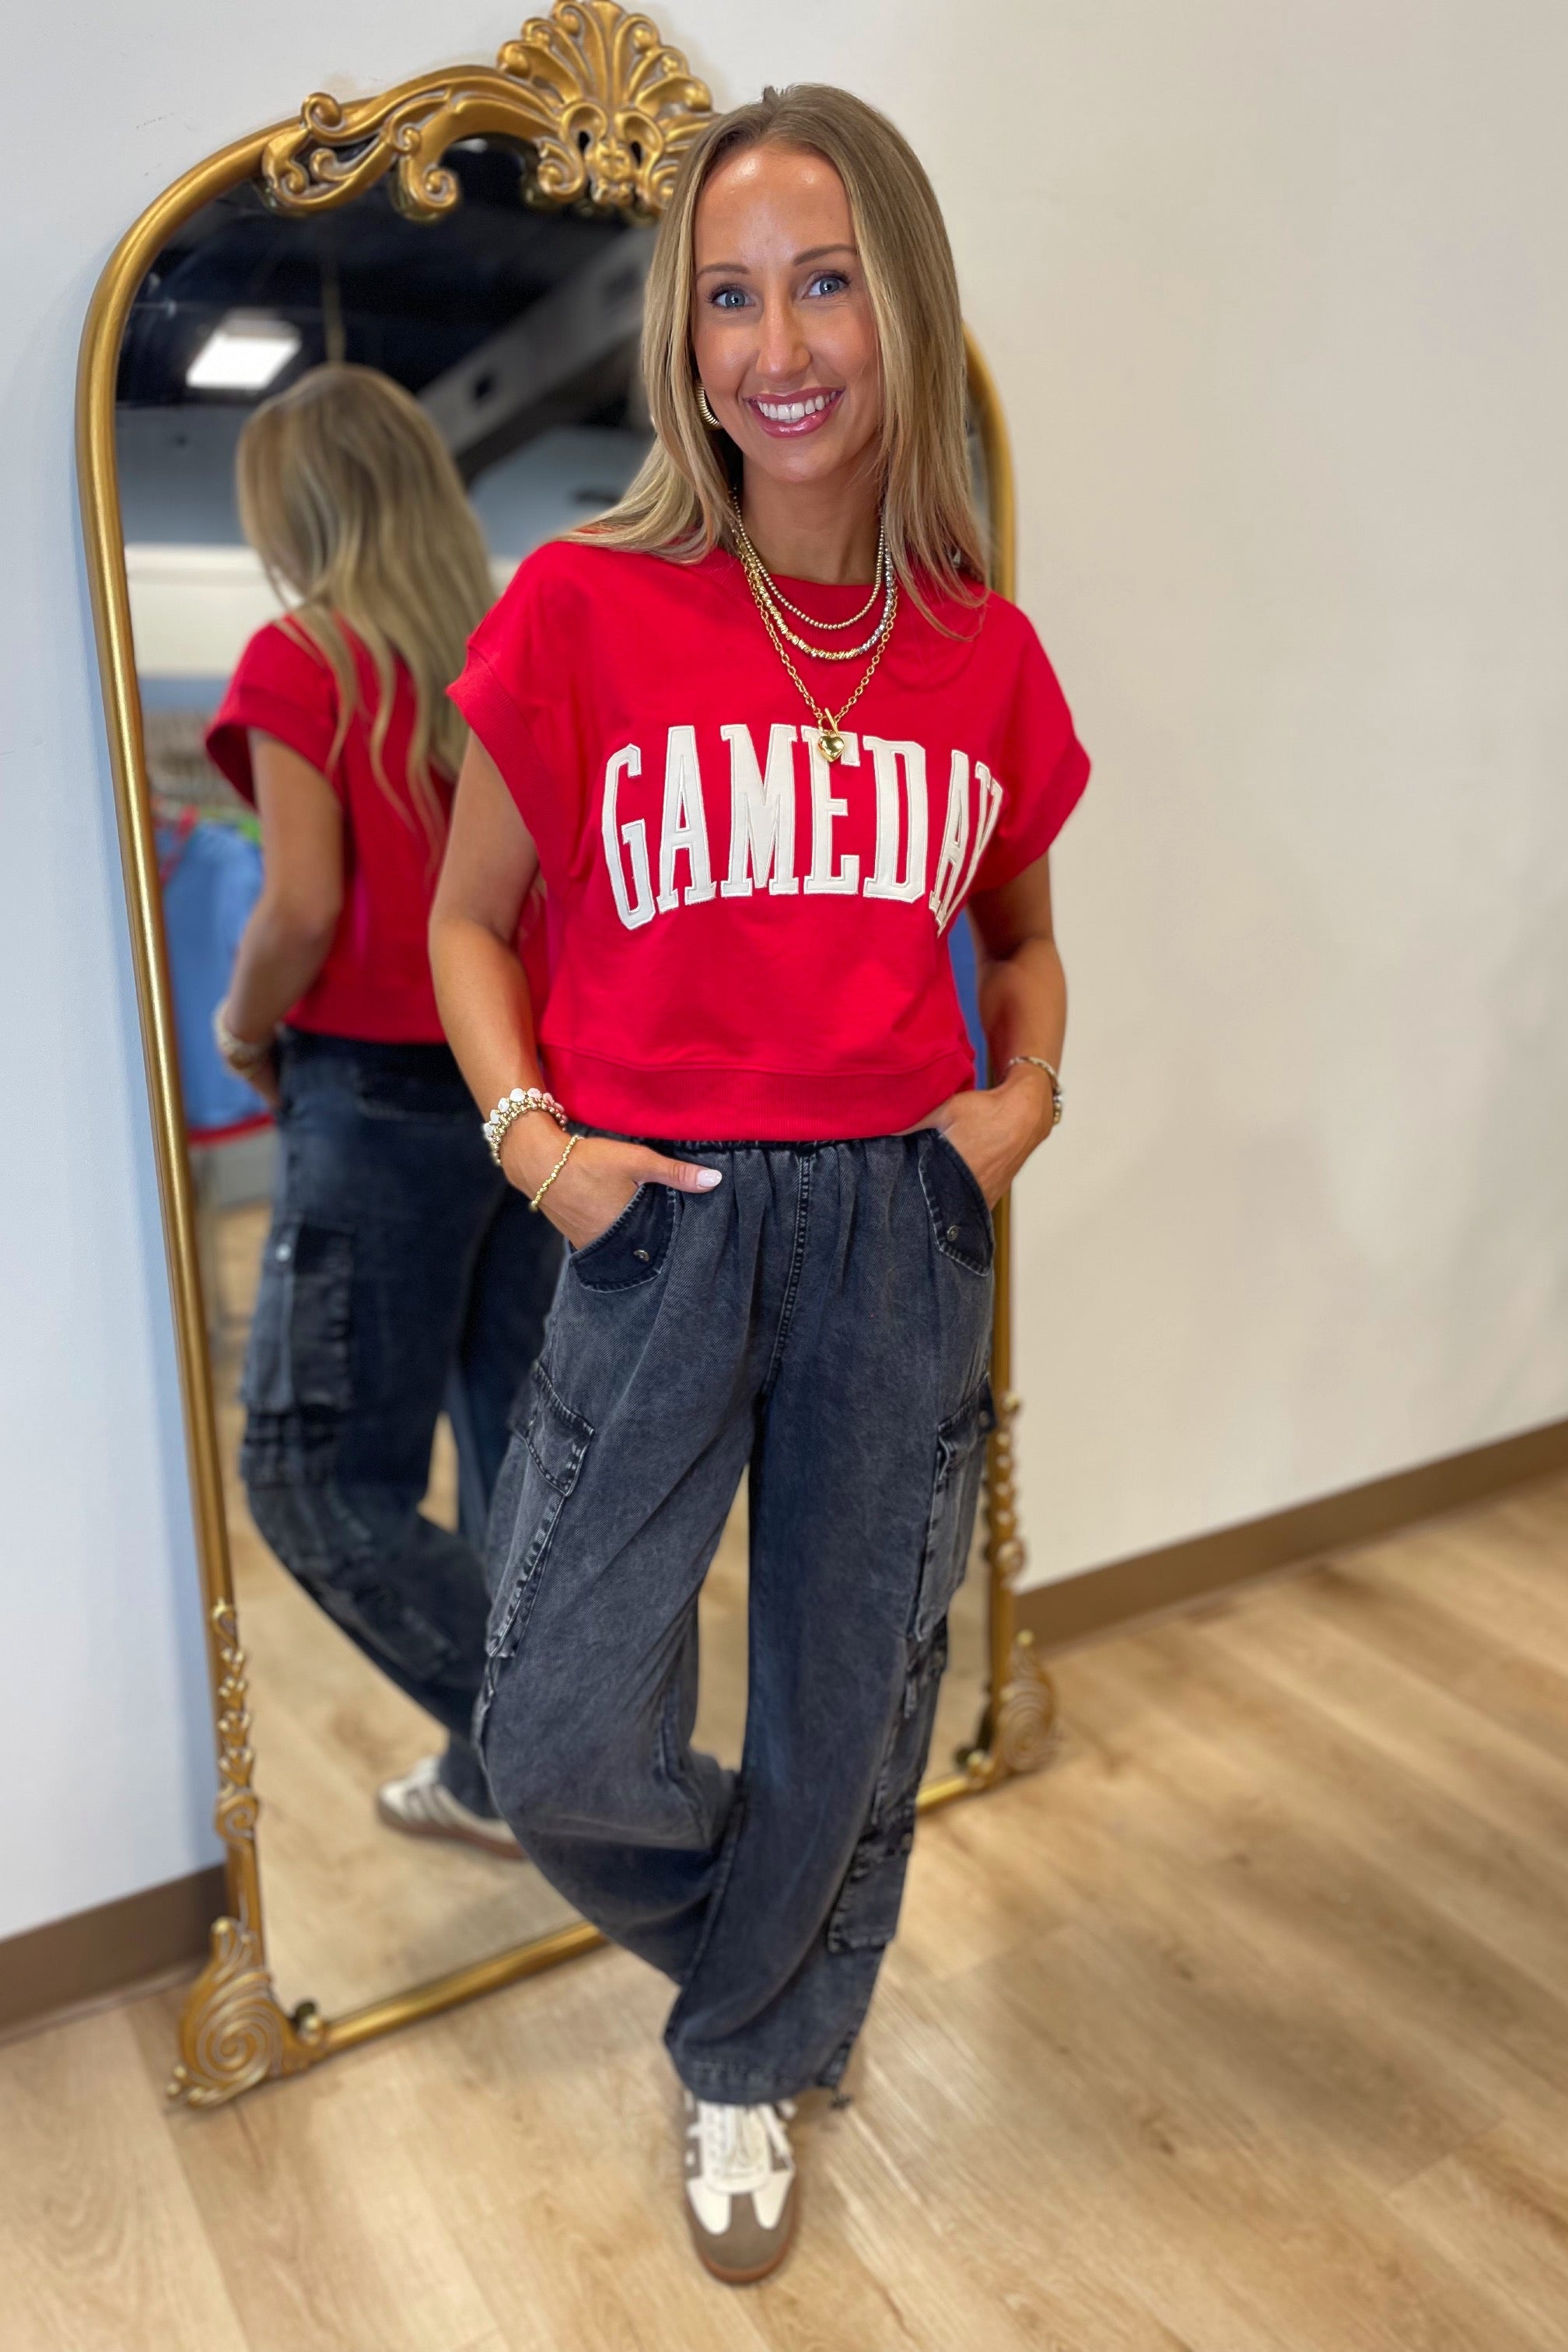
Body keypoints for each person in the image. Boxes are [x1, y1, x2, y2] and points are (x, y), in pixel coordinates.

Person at [430, 86, 1089, 2279]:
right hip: (658, 1217)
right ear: (681, 340)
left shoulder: (980, 652)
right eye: (729, 297)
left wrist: (1025, 1098)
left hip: (901, 1217)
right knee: (552, 1734)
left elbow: (1020, 936)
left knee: (849, 1686)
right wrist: (538, 1148)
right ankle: (785, 1954)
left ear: (901, 306)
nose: (778, 345)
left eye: (825, 286)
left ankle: (745, 2054)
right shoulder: (583, 612)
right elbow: (465, 923)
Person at [206, 364, 562, 1860]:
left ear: (293, 510)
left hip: (375, 1094)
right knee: (516, 1457)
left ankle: (554, 1750)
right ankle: (506, 1778)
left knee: (312, 1480)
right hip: (521, 1089)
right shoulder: (504, 657)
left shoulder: (304, 658)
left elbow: (301, 904)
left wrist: (240, 1029)